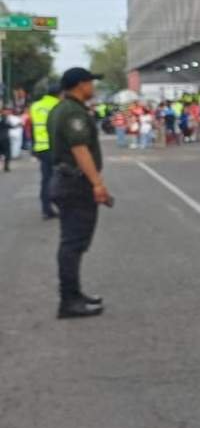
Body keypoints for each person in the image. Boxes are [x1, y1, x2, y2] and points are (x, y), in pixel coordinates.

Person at [47, 68, 108, 319]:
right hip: (75, 183)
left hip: (65, 180)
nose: (93, 87)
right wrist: (97, 184)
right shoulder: (72, 112)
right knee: (73, 244)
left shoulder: (61, 108)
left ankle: (74, 294)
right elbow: (80, 149)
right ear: (81, 85)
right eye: (90, 82)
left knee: (72, 242)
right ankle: (69, 300)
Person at [29, 83, 62, 219]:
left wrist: (33, 146)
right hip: (55, 147)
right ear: (60, 94)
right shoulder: (59, 106)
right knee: (60, 177)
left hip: (41, 147)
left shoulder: (35, 106)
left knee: (46, 178)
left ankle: (46, 209)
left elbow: (31, 127)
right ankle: (59, 204)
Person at [0, 105, 11, 172]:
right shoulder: (5, 118)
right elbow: (8, 125)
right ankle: (6, 167)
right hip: (4, 138)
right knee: (7, 153)